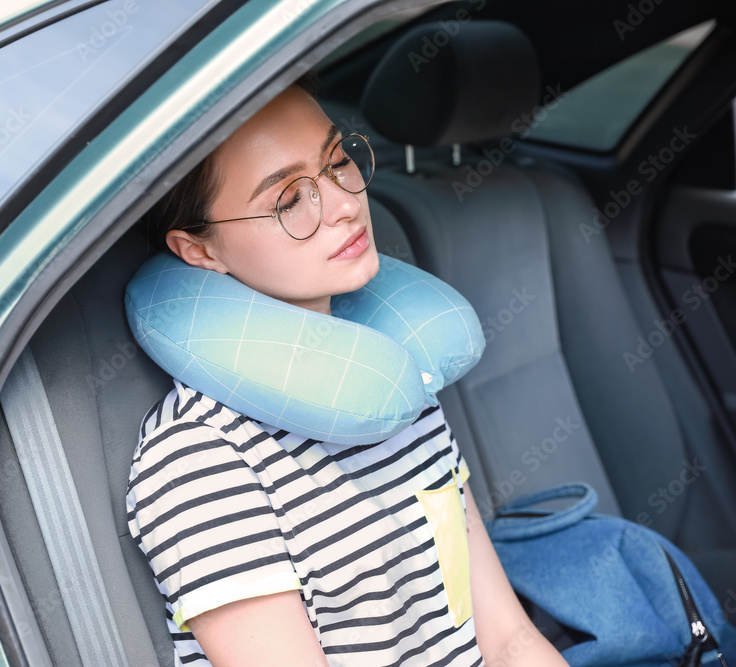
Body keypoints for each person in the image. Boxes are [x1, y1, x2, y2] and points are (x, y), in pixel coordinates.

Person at [125, 75, 570, 666]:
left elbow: (508, 640)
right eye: (287, 201)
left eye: (338, 161)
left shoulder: (397, 382)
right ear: (199, 251)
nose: (343, 204)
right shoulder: (198, 461)